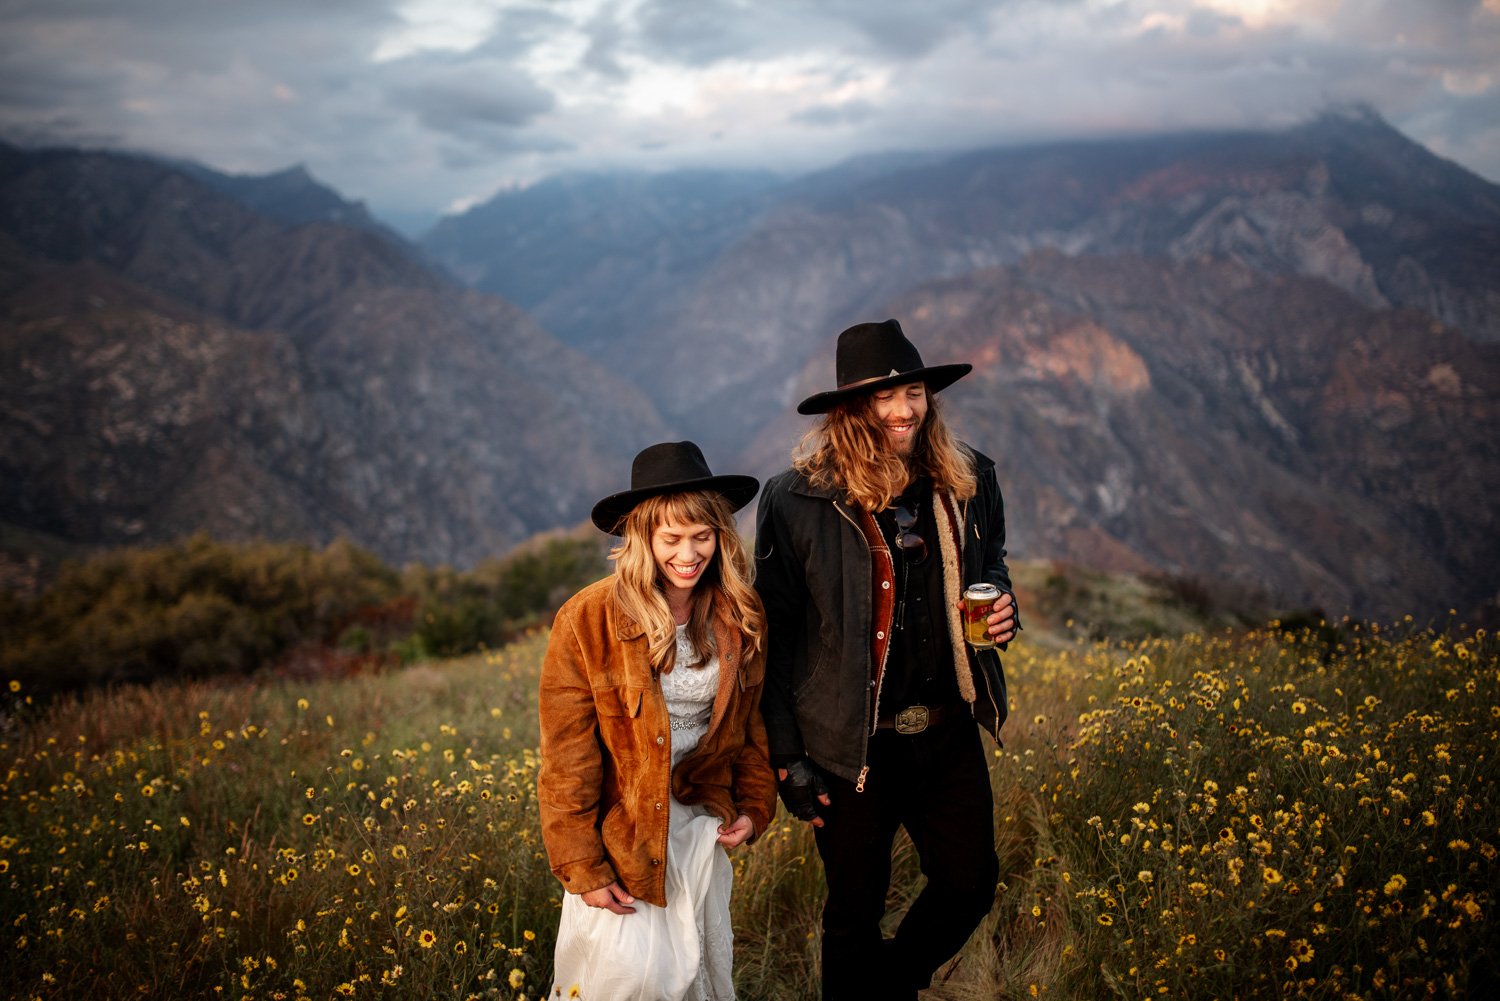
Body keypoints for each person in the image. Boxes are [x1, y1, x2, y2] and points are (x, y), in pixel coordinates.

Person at [753, 318, 1019, 1000]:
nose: (904, 408)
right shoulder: (796, 499)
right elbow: (776, 634)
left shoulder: (970, 477)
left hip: (946, 727)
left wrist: (1003, 607)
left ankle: (888, 987)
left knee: (970, 880)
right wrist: (787, 755)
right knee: (853, 912)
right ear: (850, 408)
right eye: (884, 396)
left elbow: (991, 567)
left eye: (914, 391)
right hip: (850, 746)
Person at [538, 440, 779, 1001]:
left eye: (702, 536)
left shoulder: (739, 612)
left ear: (720, 535)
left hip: (698, 821)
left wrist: (753, 806)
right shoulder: (587, 618)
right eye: (671, 539)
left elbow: (748, 727)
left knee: (693, 966)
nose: (688, 554)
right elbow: (566, 756)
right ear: (641, 539)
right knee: (631, 977)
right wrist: (582, 864)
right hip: (624, 825)